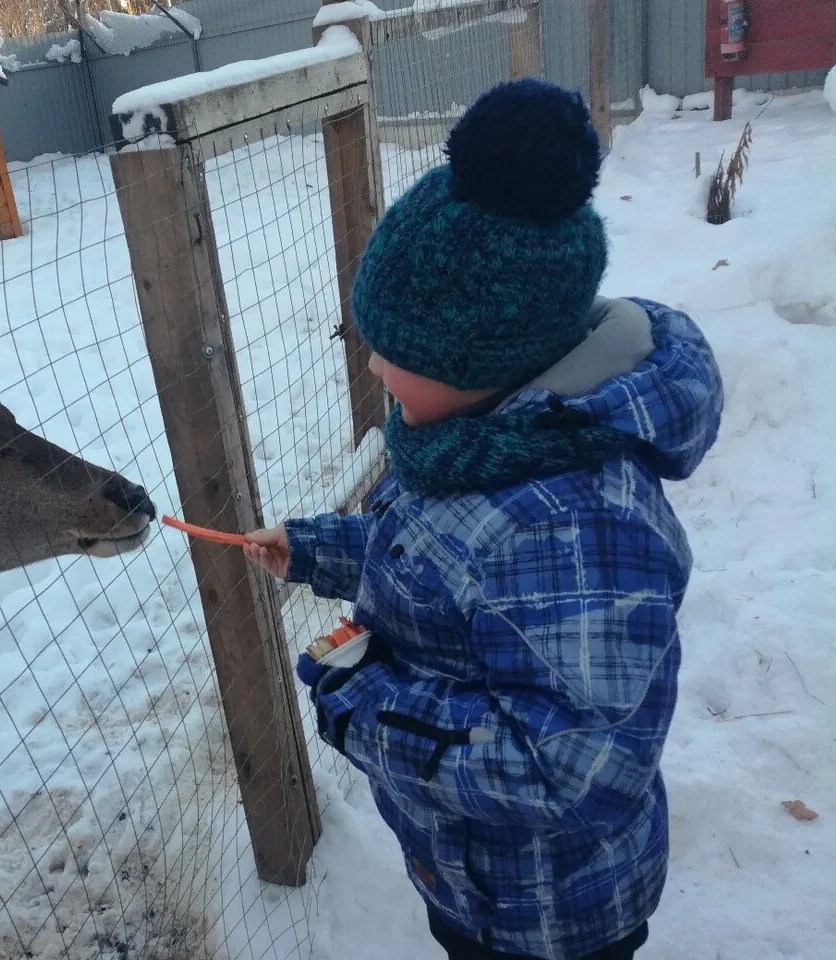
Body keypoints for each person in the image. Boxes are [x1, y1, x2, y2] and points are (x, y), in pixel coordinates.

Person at [243, 79, 723, 960]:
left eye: (403, 352)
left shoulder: (575, 528)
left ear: (486, 358)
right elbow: (438, 559)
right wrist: (317, 549)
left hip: (548, 915)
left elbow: (576, 771)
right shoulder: (473, 441)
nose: (378, 364)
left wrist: (363, 701)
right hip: (471, 872)